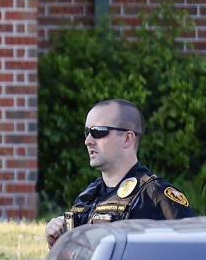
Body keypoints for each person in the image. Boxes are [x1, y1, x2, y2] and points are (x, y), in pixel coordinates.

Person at [45, 99, 196, 247]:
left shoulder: (156, 196)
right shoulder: (89, 196)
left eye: (98, 132)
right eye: (87, 132)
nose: (88, 141)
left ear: (127, 139)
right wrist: (58, 243)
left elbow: (193, 253)